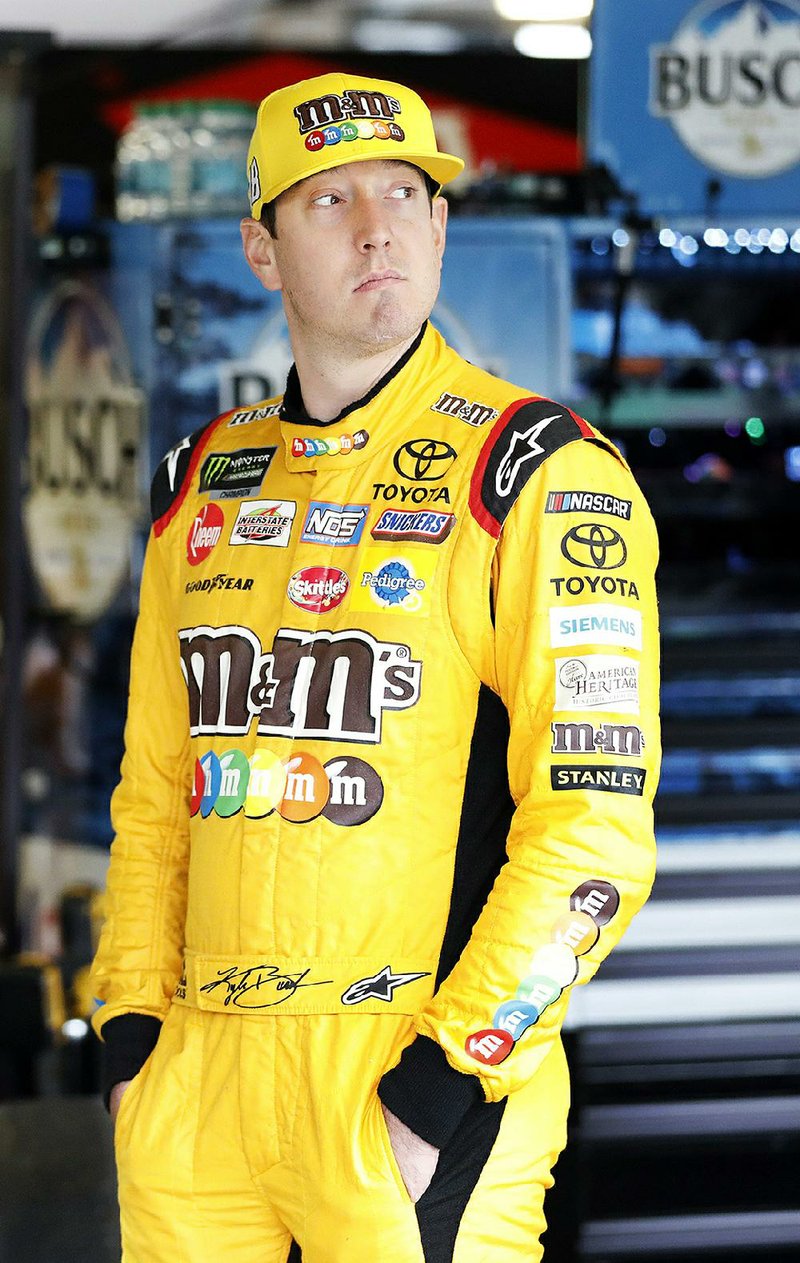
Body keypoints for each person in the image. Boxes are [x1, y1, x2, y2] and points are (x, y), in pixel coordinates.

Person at [90, 71, 660, 1262]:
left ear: (441, 226)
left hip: (404, 1081)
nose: (377, 224)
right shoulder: (200, 480)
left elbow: (594, 833)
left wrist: (445, 1086)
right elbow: (153, 791)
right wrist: (130, 1034)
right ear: (261, 248)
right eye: (328, 200)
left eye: (406, 191)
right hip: (196, 1092)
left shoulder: (537, 473)